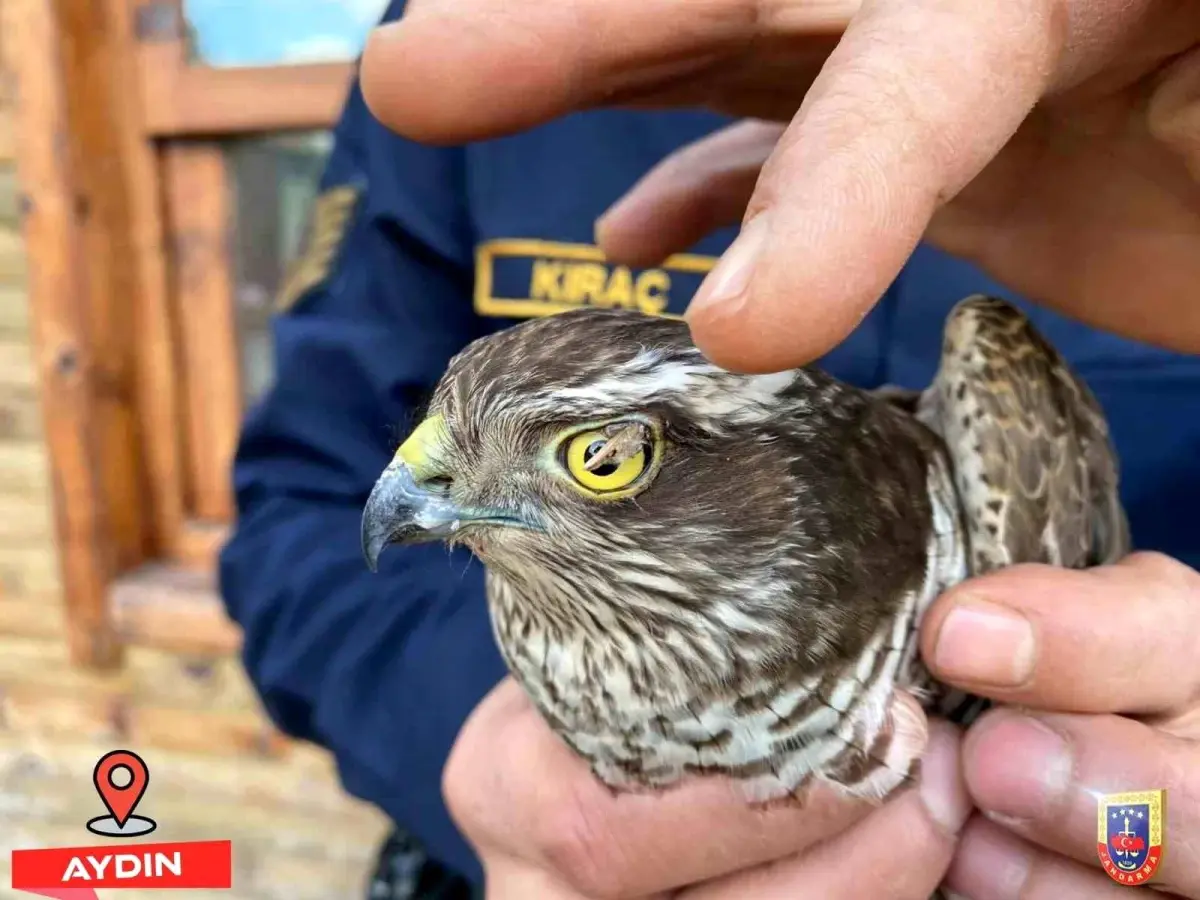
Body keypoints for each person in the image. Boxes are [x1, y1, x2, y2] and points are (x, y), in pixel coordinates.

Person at [219, 1, 1200, 898]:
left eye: (603, 458)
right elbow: (303, 504)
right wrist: (470, 737)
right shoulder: (465, 29)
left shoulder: (1160, 63)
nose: (423, 482)